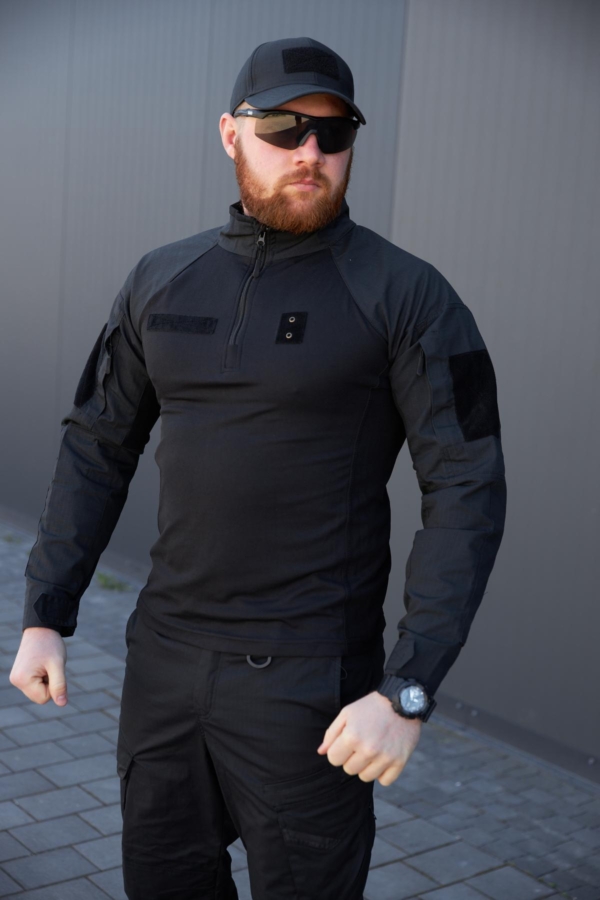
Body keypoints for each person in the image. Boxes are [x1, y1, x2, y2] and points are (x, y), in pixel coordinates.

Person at [10, 36, 507, 900]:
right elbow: (96, 443)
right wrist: (45, 611)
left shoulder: (408, 295)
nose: (309, 151)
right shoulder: (162, 279)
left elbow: (467, 488)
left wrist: (407, 690)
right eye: (283, 127)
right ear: (230, 134)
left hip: (312, 688)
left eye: (333, 132)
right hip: (164, 667)